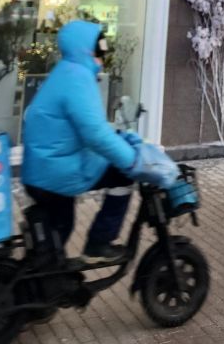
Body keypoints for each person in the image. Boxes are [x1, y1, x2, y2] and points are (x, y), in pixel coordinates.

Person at [22, 19, 140, 263]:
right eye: (100, 49)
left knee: (57, 234)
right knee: (122, 175)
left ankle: (45, 275)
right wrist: (131, 161)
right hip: (55, 171)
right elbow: (95, 134)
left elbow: (84, 126)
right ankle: (100, 241)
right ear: (86, 49)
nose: (103, 55)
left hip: (43, 167)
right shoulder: (78, 78)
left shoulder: (66, 71)